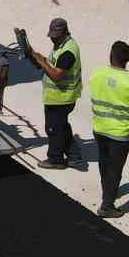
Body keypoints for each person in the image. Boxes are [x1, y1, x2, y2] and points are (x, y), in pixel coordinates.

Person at [87, 41, 129, 218]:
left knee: (103, 161)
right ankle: (107, 206)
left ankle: (108, 190)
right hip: (120, 134)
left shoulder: (97, 73)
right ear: (128, 60)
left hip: (100, 128)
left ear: (110, 55)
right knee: (115, 168)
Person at [22, 17, 82, 170]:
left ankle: (55, 159)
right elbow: (50, 66)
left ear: (64, 33)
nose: (53, 40)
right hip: (58, 97)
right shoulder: (61, 45)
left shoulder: (68, 51)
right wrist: (37, 59)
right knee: (62, 126)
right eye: (52, 37)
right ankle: (74, 156)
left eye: (55, 37)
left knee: (53, 128)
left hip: (62, 98)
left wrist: (42, 61)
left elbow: (56, 75)